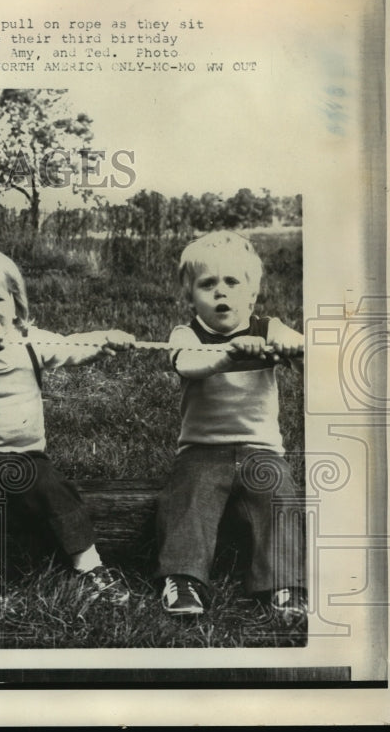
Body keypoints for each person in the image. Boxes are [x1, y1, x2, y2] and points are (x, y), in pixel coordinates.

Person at [0, 249, 134, 608]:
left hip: (27, 456)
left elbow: (72, 346)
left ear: (16, 305)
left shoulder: (30, 340)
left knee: (56, 490)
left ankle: (90, 567)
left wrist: (104, 339)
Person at [155, 231, 306, 624]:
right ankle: (183, 578)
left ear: (252, 295)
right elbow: (189, 365)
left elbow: (303, 347)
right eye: (207, 285)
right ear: (191, 297)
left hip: (261, 451)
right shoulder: (186, 334)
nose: (220, 293)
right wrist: (227, 354)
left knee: (280, 497)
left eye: (231, 283)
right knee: (187, 500)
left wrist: (294, 348)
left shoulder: (268, 328)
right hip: (202, 451)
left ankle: (285, 584)